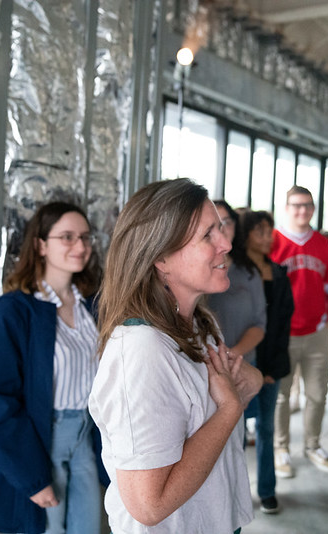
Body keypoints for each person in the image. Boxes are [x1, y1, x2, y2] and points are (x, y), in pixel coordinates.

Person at [88, 178, 262, 534]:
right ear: (160, 258)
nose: (226, 244)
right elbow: (149, 505)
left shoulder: (198, 322)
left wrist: (248, 383)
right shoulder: (142, 353)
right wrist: (229, 409)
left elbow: (239, 382)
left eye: (222, 230)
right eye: (207, 236)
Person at [0, 201, 105, 534]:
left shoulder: (92, 307)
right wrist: (32, 478)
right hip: (40, 438)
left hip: (85, 436)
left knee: (88, 528)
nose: (80, 246)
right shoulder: (16, 310)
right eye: (67, 237)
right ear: (40, 244)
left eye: (85, 237)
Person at [271, 185, 328, 478]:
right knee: (281, 397)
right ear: (287, 208)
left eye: (308, 205)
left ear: (313, 209)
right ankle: (281, 449)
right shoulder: (273, 242)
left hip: (316, 335)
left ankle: (313, 445)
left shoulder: (324, 246)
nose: (302, 210)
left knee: (317, 395)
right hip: (282, 336)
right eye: (297, 205)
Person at [241, 209, 295, 515]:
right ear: (245, 234)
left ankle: (266, 491)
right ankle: (237, 491)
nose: (266, 237)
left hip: (270, 367)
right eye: (259, 231)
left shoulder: (278, 273)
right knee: (234, 432)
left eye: (268, 231)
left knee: (265, 429)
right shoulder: (233, 273)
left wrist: (272, 369)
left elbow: (282, 325)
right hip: (239, 363)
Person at [208, 199, 266, 450]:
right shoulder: (196, 268)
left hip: (239, 362)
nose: (221, 228)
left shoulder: (249, 272)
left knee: (235, 437)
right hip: (205, 365)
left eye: (226, 222)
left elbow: (259, 324)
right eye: (213, 223)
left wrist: (232, 355)